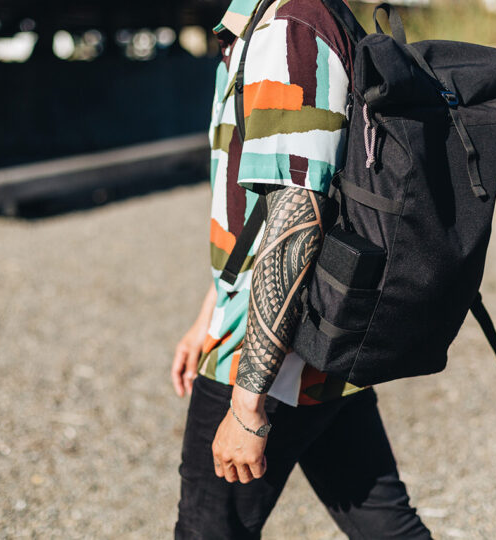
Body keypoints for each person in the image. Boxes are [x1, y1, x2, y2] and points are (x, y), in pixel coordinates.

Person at [172, 0, 432, 538]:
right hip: (319, 331)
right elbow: (256, 213)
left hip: (269, 349)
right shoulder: (286, 18)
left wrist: (247, 406)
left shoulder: (286, 28)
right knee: (385, 526)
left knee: (208, 532)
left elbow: (297, 216)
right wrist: (209, 309)